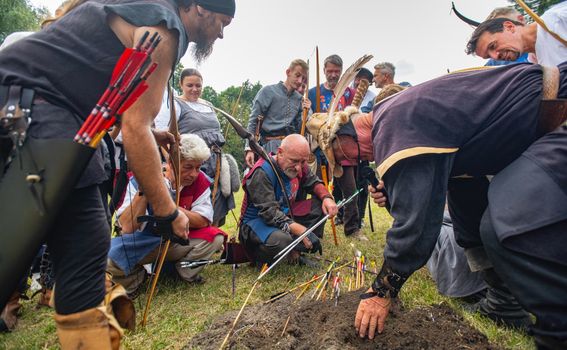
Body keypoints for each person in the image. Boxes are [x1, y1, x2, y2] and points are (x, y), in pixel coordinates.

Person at [0, 0, 235, 347]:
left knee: (85, 244)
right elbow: (136, 126)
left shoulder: (146, 11)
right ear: (199, 8)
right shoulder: (164, 29)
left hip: (44, 112)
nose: (221, 34)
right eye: (222, 23)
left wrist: (143, 132)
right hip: (33, 110)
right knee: (28, 246)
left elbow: (125, 116)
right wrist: (167, 210)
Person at [348, 62, 567, 348]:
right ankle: (504, 305)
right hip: (537, 118)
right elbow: (450, 188)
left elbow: (416, 223)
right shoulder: (398, 112)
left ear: (349, 132)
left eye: (349, 154)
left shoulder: (390, 121)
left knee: (503, 227)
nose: (360, 160)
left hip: (555, 108)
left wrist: (382, 290)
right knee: (472, 224)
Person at [108, 133, 226, 295]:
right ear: (171, 162)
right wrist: (146, 188)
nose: (194, 174)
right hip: (145, 243)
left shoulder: (200, 181)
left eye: (198, 168)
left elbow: (203, 220)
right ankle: (137, 278)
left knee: (215, 238)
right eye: (188, 167)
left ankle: (182, 272)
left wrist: (169, 207)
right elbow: (127, 227)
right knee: (107, 259)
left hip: (179, 241)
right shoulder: (139, 180)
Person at [155, 68, 239, 227]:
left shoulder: (208, 105)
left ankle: (212, 231)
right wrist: (172, 162)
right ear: (181, 84)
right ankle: (192, 232)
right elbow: (163, 137)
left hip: (215, 160)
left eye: (198, 86)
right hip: (190, 162)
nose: (195, 89)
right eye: (190, 85)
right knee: (196, 197)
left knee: (218, 197)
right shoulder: (174, 104)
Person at [239, 134, 338, 266]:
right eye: (294, 161)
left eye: (303, 162)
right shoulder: (261, 172)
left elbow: (313, 182)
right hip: (257, 223)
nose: (299, 168)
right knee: (282, 241)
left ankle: (296, 249)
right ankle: (261, 256)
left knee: (319, 204)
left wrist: (327, 198)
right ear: (280, 153)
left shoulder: (299, 163)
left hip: (285, 214)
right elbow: (270, 214)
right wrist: (303, 231)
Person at [244, 59, 309, 169]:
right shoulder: (267, 91)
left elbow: (299, 130)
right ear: (288, 72)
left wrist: (305, 113)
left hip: (290, 150)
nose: (299, 81)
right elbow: (253, 121)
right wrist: (249, 148)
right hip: (268, 148)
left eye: (303, 78)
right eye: (297, 75)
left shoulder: (299, 100)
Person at [466, 1, 567, 66]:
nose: (495, 57)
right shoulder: (534, 62)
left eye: (493, 46)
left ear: (509, 27)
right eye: (489, 56)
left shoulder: (558, 20)